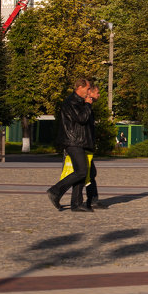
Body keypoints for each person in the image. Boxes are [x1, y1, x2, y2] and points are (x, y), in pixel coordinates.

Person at [46, 78, 96, 212]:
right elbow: (82, 119)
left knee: (81, 171)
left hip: (79, 141)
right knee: (81, 171)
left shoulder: (78, 101)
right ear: (80, 88)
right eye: (87, 88)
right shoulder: (72, 102)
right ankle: (55, 191)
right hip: (73, 141)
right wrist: (88, 105)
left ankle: (77, 203)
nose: (89, 91)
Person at [83, 84, 106, 209]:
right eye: (97, 92)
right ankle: (57, 191)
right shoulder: (85, 106)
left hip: (88, 144)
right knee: (86, 173)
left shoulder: (89, 107)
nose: (99, 95)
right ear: (90, 93)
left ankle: (93, 199)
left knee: (90, 173)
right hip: (83, 145)